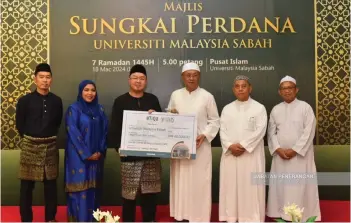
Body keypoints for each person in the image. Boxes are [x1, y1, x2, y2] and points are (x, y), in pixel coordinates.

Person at [109, 64, 162, 222]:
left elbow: (162, 128)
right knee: (129, 196)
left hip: (151, 157)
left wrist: (157, 117)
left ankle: (149, 220)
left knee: (150, 194)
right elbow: (115, 127)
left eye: (142, 78)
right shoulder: (120, 101)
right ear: (129, 80)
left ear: (146, 81)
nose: (138, 81)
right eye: (135, 78)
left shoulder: (152, 100)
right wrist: (119, 148)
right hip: (129, 157)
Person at [167, 62, 220, 222]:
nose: (191, 78)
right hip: (179, 147)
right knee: (181, 179)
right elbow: (170, 116)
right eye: (188, 75)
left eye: (194, 75)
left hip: (200, 147)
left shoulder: (207, 96)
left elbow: (215, 121)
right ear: (183, 77)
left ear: (199, 76)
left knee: (199, 181)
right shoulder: (175, 95)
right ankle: (181, 214)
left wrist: (204, 135)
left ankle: (199, 216)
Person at [266, 76, 321, 221]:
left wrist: (295, 150)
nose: (287, 91)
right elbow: (271, 132)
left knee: (299, 187)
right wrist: (278, 149)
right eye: (284, 88)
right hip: (281, 157)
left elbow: (309, 131)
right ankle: (282, 214)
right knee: (282, 187)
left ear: (296, 90)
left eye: (290, 88)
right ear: (280, 92)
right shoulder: (276, 109)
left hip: (300, 157)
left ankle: (302, 216)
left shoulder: (305, 107)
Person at [15, 63, 63, 222]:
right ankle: (26, 219)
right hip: (30, 146)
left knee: (50, 187)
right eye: (41, 77)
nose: (45, 80)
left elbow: (57, 123)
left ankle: (50, 218)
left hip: (50, 146)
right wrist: (32, 139)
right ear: (35, 79)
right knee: (26, 187)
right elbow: (20, 125)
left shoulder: (57, 101)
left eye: (48, 77)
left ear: (52, 80)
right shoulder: (24, 101)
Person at [218, 75, 267, 222]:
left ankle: (252, 218)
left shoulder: (259, 108)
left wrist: (244, 145)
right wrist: (230, 146)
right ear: (233, 89)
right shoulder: (227, 109)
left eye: (243, 86)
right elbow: (223, 131)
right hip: (231, 155)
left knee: (251, 188)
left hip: (251, 156)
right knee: (231, 188)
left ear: (250, 88)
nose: (240, 89)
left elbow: (260, 130)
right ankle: (232, 217)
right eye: (237, 86)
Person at [64, 80, 108, 222]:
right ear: (80, 92)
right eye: (86, 90)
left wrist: (100, 151)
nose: (90, 93)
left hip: (96, 159)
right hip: (78, 159)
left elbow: (104, 132)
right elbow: (73, 133)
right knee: (80, 193)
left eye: (93, 90)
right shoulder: (74, 109)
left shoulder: (100, 110)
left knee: (93, 193)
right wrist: (87, 154)